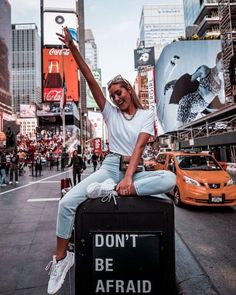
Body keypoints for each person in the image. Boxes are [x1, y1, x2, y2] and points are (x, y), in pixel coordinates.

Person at [45, 27, 176, 295]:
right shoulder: (110, 113)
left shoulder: (146, 114)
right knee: (67, 202)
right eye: (113, 95)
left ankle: (112, 190)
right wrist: (72, 47)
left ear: (128, 89)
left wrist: (128, 179)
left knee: (169, 178)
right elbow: (89, 78)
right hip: (109, 168)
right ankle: (61, 259)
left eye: (120, 92)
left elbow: (139, 147)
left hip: (133, 172)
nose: (117, 98)